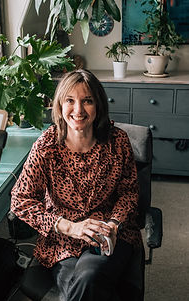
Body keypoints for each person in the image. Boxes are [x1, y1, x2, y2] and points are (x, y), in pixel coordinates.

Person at [11, 69, 142, 301]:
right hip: (63, 239)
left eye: (87, 101)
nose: (78, 110)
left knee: (88, 278)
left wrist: (113, 224)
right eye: (70, 101)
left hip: (107, 233)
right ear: (59, 106)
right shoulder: (47, 146)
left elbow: (129, 192)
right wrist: (71, 227)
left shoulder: (117, 141)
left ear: (98, 105)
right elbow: (20, 200)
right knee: (82, 288)